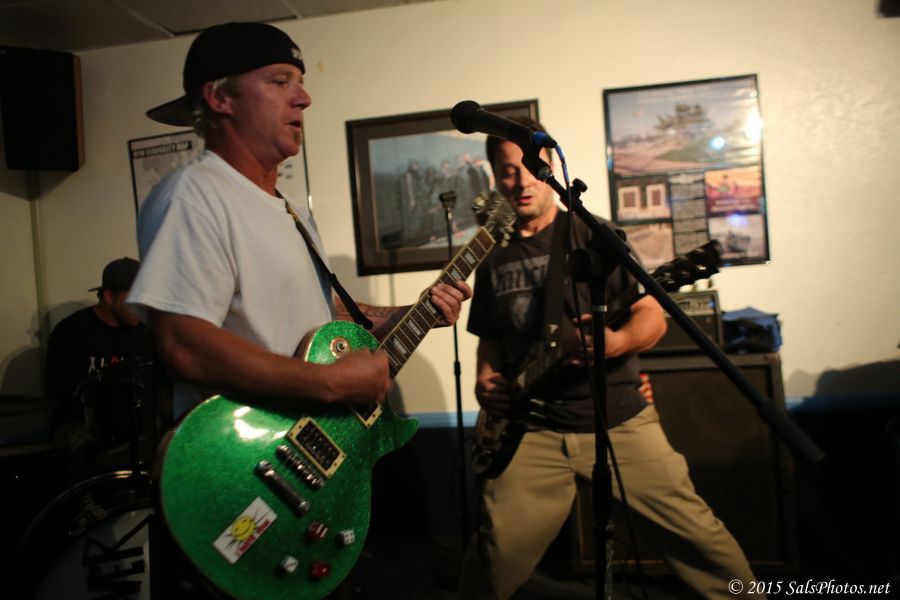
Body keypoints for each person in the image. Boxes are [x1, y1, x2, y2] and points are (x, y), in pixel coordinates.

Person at [126, 22, 471, 598]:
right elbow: (184, 343)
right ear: (220, 97)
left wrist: (402, 316)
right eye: (279, 80)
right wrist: (330, 382)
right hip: (245, 469)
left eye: (301, 82)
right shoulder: (196, 194)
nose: (303, 98)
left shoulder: (287, 209)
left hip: (304, 463)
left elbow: (322, 307)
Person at [458, 117, 760, 599]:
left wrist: (615, 343)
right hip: (531, 431)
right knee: (493, 558)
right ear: (495, 178)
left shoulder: (595, 236)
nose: (521, 181)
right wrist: (485, 377)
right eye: (506, 172)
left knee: (703, 544)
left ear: (549, 166)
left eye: (529, 167)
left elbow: (651, 319)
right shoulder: (494, 257)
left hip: (616, 418)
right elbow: (491, 338)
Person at [45, 257, 157, 471]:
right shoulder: (71, 333)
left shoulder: (147, 333)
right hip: (85, 429)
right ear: (109, 297)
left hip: (137, 430)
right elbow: (61, 396)